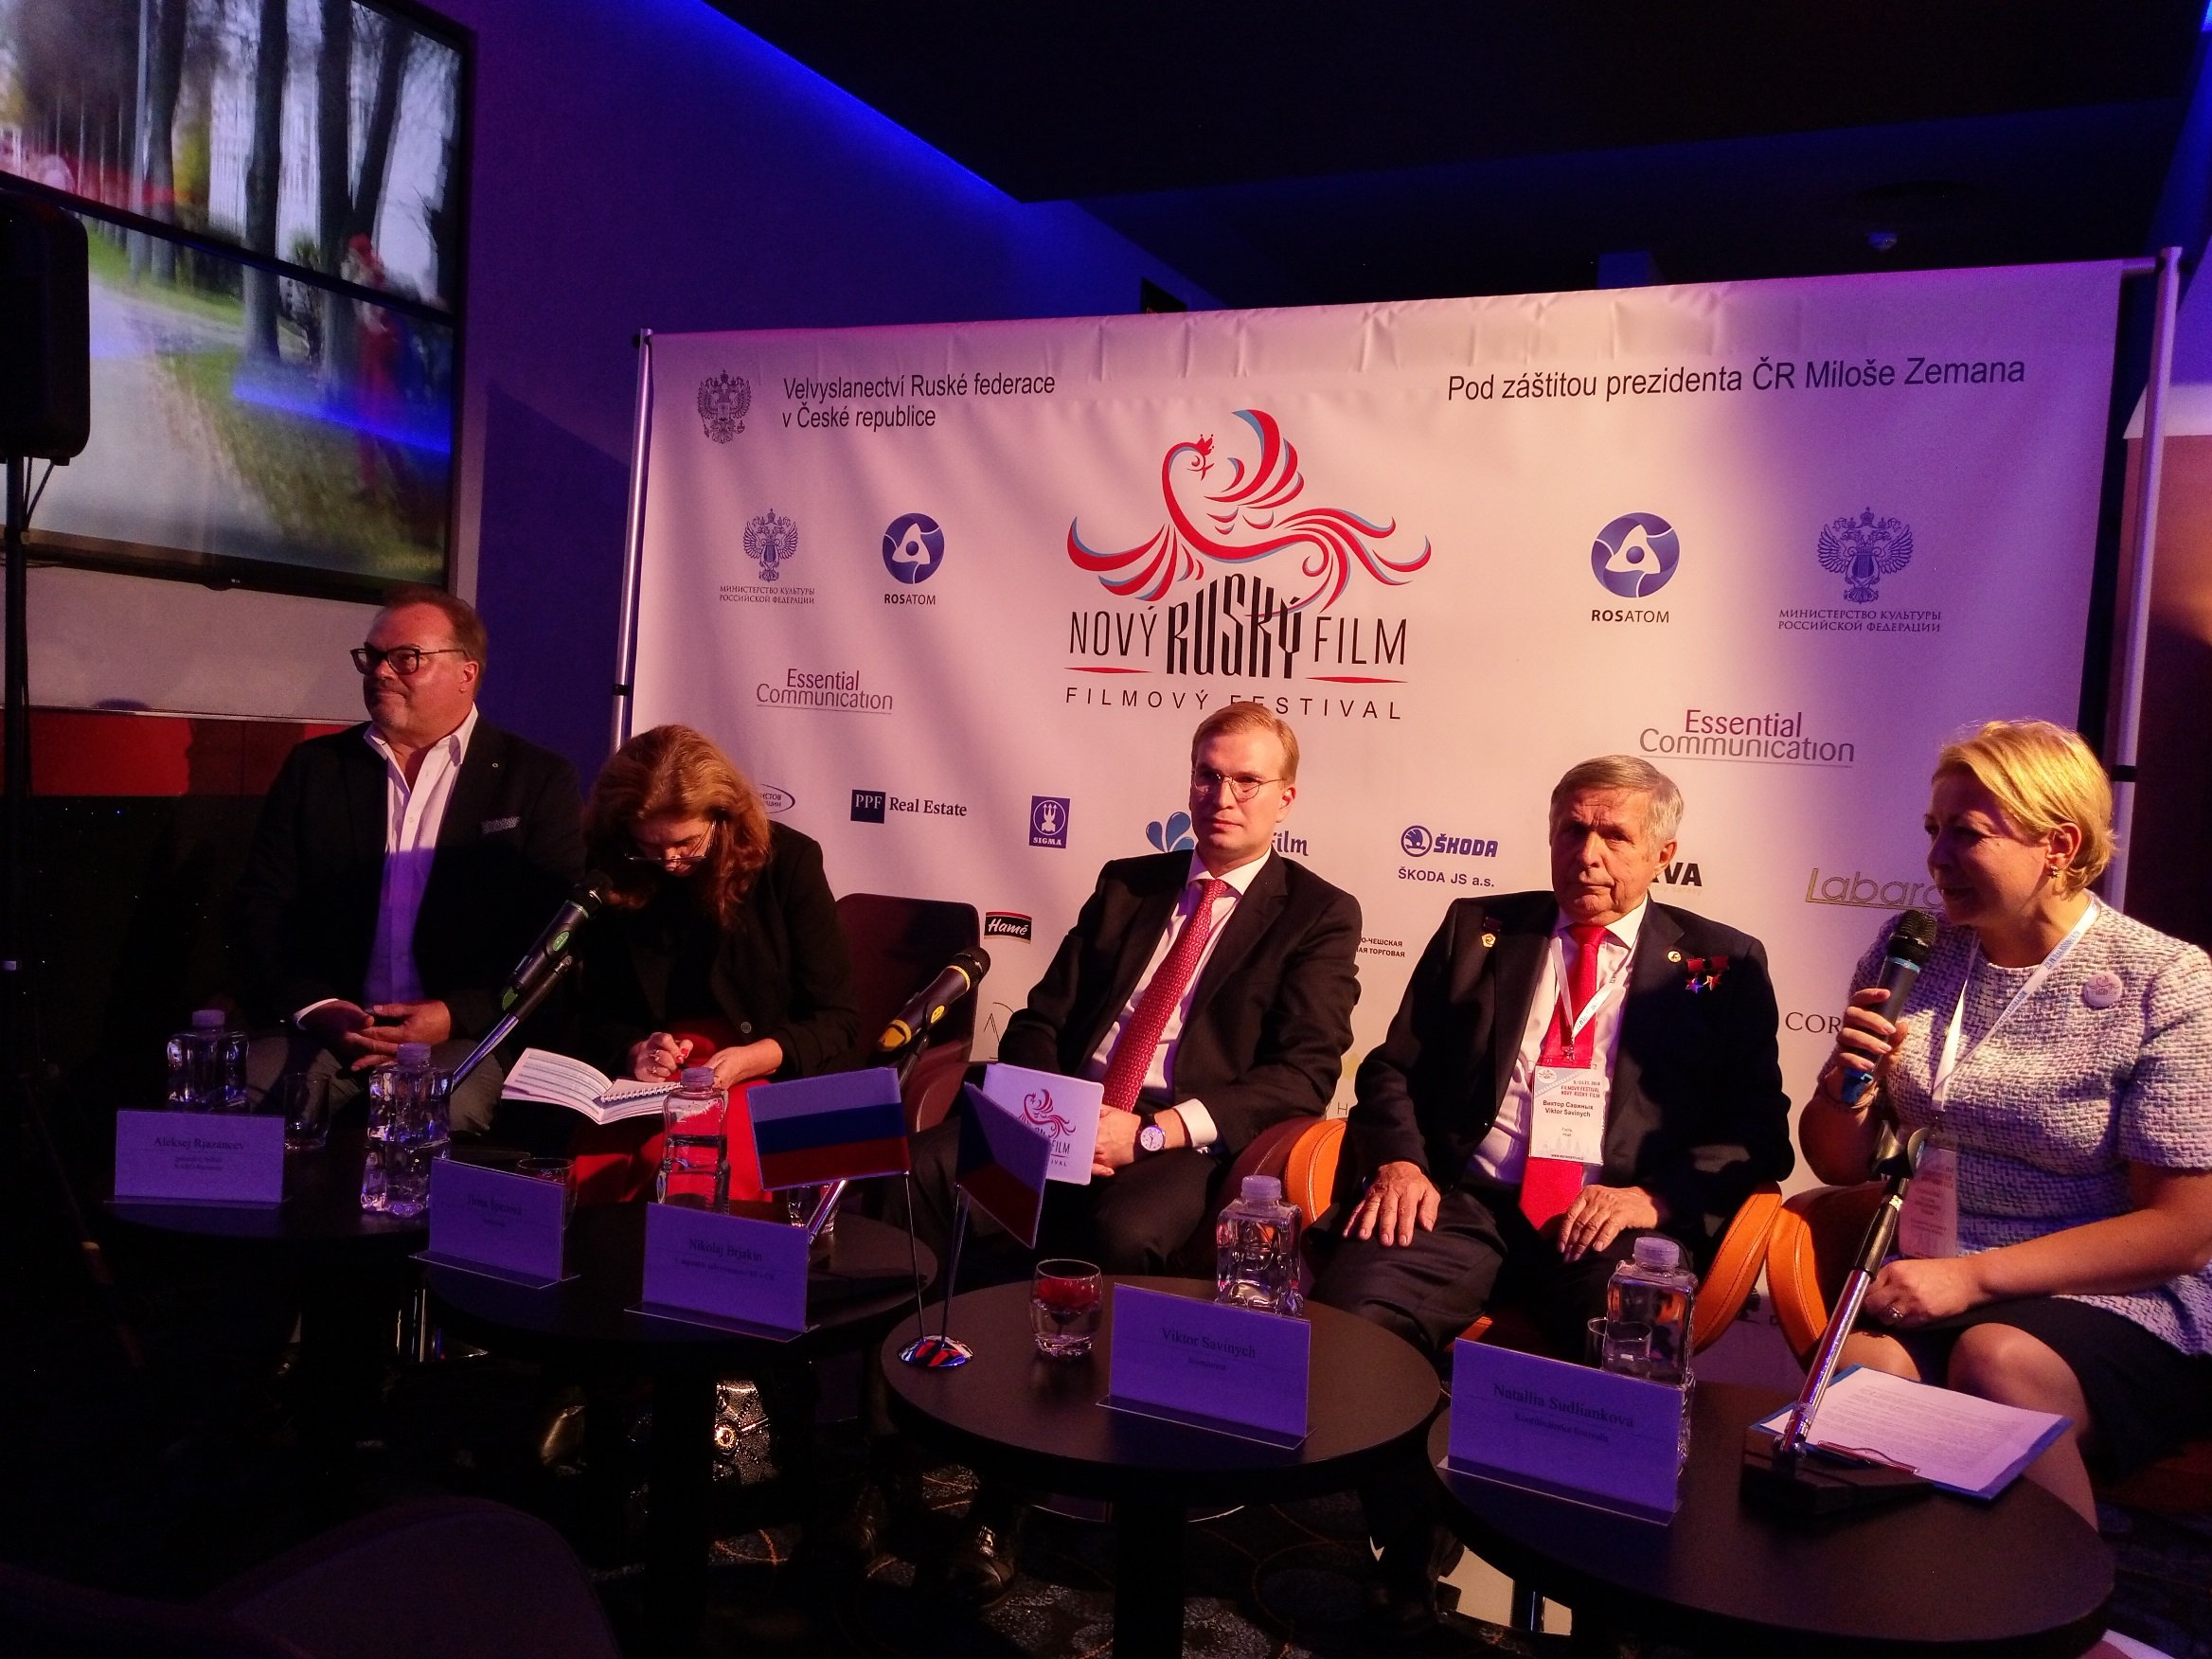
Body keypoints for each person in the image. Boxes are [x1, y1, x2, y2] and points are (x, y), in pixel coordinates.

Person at [1313, 753, 1792, 1629]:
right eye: (1573, 829)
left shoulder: (1719, 962)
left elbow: (1759, 1132)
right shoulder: (1481, 928)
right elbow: (1391, 1070)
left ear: (1664, 853)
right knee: (1354, 1313)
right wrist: (1401, 1162)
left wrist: (1654, 1201)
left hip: (1609, 1218)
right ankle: (1415, 1539)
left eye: (1614, 836)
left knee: (1630, 1368)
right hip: (1464, 1198)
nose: (1588, 854)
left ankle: (1611, 1604)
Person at [899, 703, 1362, 1605]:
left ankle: (1014, 1496)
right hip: (1065, 1113)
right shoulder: (1129, 883)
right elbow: (1040, 1019)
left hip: (1178, 1138)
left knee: (1118, 1235)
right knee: (917, 1171)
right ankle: (887, 1459)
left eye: (1247, 781)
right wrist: (1054, 1111)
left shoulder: (1318, 914)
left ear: (1286, 798)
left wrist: (1149, 1132)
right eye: (1207, 776)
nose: (1222, 797)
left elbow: (1302, 1074)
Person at [1804, 720, 2212, 1535]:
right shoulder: (1914, 951)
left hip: (2117, 1295)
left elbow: (2185, 1231)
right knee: (1855, 1377)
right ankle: (1885, 1596)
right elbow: (1839, 1163)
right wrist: (1845, 1083)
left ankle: (2067, 1604)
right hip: (1932, 1274)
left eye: (1966, 833)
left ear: (2058, 845)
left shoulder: (2164, 980)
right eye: (1933, 830)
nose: (1937, 857)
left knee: (1997, 1362)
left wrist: (1975, 1278)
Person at [230, 586, 582, 1133]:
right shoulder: (316, 769)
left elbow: (550, 936)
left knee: (435, 1115)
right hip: (332, 1026)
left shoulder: (534, 779)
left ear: (466, 672)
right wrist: (319, 1007)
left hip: (460, 1034)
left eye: (406, 658)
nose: (380, 672)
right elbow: (263, 905)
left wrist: (455, 1015)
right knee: (236, 1096)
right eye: (372, 656)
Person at [567, 723, 863, 1202]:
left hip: (766, 1069)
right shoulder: (618, 869)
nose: (669, 860)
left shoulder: (788, 863)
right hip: (657, 1080)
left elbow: (838, 1020)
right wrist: (635, 1049)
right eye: (650, 846)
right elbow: (599, 1011)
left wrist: (755, 1057)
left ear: (721, 818)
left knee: (681, 1161)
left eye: (685, 843)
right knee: (596, 1167)